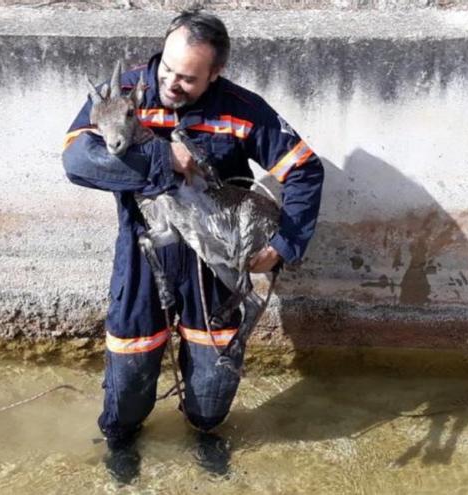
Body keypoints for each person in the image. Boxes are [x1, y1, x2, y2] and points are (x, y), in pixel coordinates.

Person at [62, 10, 324, 482]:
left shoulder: (242, 110)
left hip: (216, 263)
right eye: (167, 70)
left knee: (213, 375)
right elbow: (79, 160)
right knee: (131, 360)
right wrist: (165, 157)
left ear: (215, 74)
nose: (172, 84)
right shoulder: (121, 95)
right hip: (145, 253)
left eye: (188, 78)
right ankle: (122, 443)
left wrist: (282, 247)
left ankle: (204, 436)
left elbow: (304, 170)